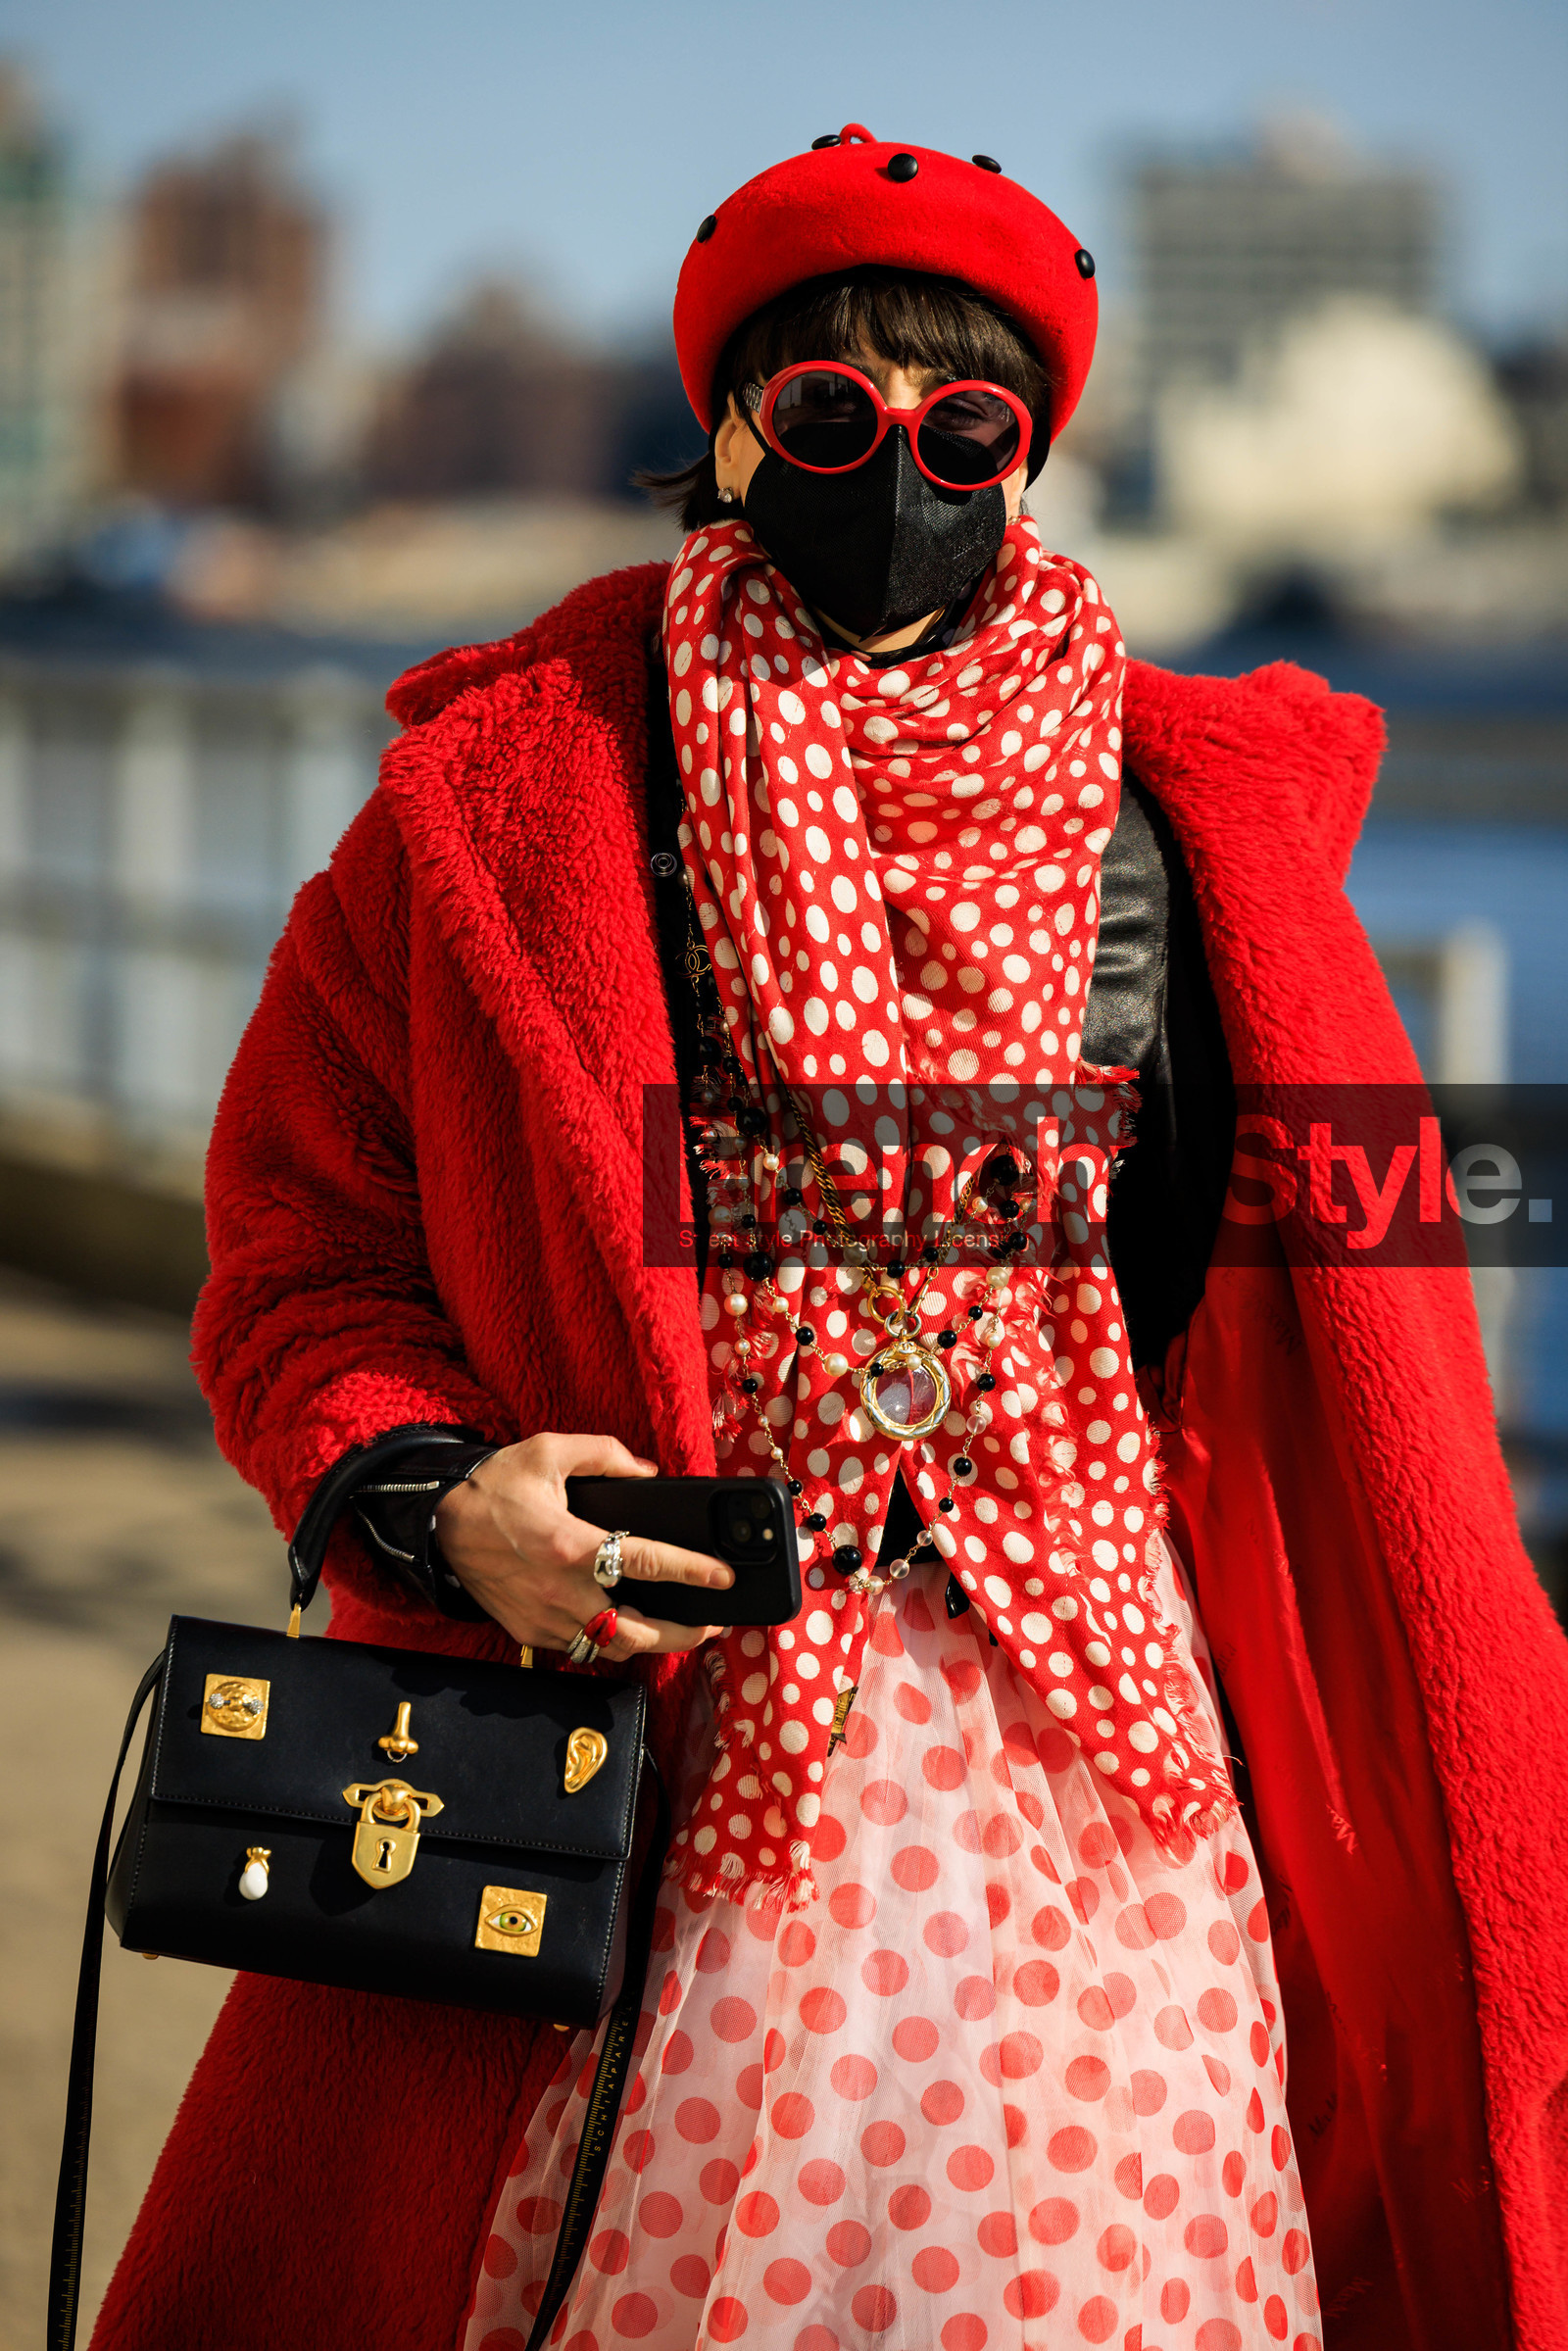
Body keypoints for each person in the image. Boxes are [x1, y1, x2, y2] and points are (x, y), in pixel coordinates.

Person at [91, 129, 1568, 2351]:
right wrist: (424, 1493)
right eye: (826, 414)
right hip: (620, 1786)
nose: (897, 466)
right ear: (718, 431)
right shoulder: (498, 818)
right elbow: (303, 1256)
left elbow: (1356, 1327)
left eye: (960, 425)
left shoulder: (1196, 849)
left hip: (1118, 1806)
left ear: (1025, 458)